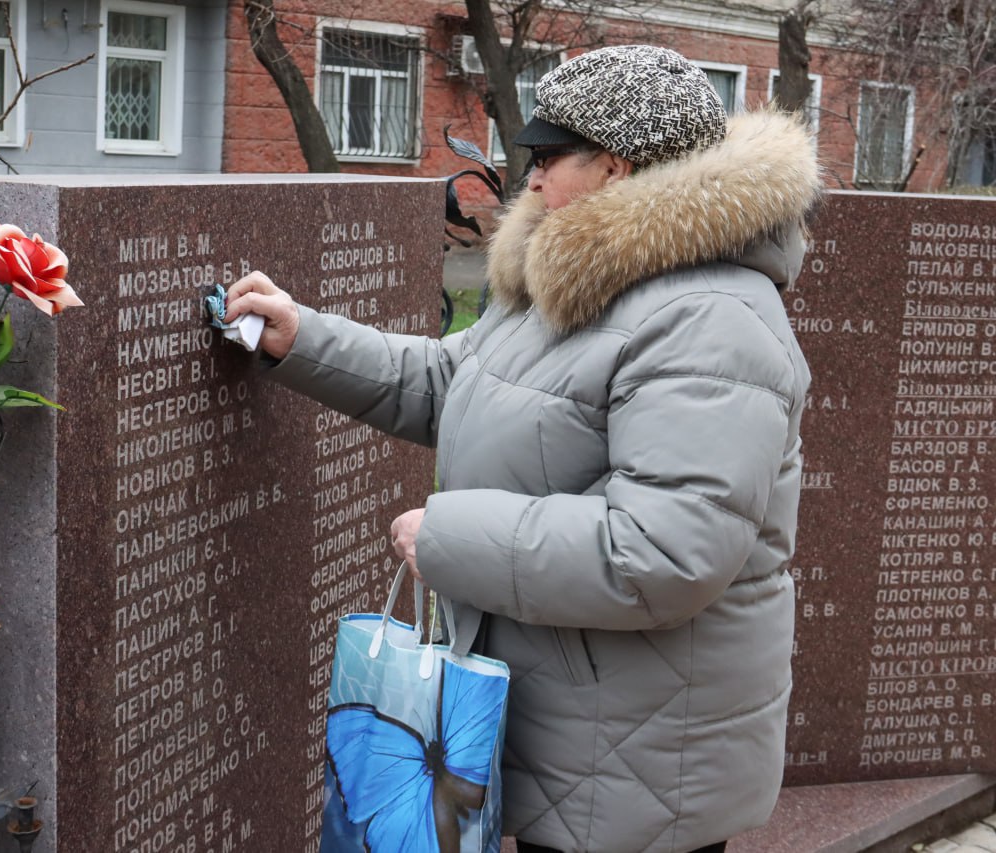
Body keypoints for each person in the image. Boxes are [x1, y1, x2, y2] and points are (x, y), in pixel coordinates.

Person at [225, 44, 821, 853]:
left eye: (547, 157)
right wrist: (303, 339)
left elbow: (662, 551)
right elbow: (451, 380)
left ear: (615, 167)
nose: (530, 180)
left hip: (638, 767)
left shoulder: (711, 319)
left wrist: (447, 537)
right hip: (571, 729)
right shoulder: (583, 273)